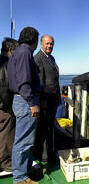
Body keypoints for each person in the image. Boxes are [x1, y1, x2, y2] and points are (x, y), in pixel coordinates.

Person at [7, 27, 40, 184]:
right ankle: (20, 178)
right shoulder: (25, 52)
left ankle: (25, 172)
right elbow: (24, 81)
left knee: (27, 140)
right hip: (26, 101)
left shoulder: (18, 52)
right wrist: (32, 102)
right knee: (23, 141)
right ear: (33, 39)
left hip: (21, 100)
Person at [33, 35, 61, 163]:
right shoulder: (38, 59)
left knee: (50, 127)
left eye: (52, 44)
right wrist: (42, 100)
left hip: (53, 100)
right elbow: (38, 82)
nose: (49, 46)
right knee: (43, 129)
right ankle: (43, 156)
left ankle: (50, 152)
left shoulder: (51, 58)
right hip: (45, 101)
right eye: (47, 43)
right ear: (41, 44)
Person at [0, 38, 18, 172]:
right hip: (3, 108)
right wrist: (9, 109)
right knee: (6, 134)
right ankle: (4, 162)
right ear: (10, 50)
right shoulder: (5, 64)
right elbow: (5, 88)